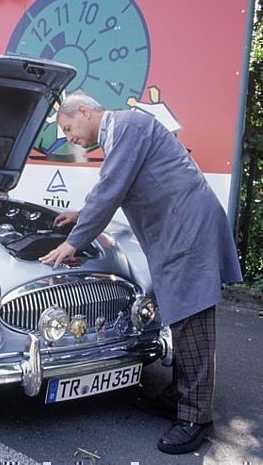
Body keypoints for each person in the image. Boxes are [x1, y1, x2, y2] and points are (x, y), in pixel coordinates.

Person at [39, 92, 242, 455]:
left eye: (69, 128)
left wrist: (73, 242)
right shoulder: (123, 132)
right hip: (178, 231)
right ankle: (178, 399)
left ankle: (196, 419)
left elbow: (112, 186)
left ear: (84, 111)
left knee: (193, 322)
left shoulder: (127, 126)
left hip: (187, 231)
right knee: (181, 319)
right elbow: (114, 185)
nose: (70, 138)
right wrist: (81, 214)